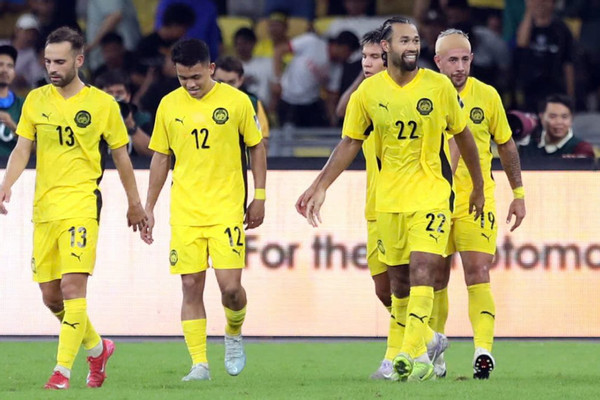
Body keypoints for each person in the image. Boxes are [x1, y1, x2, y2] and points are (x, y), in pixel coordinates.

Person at [296, 16, 485, 382]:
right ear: (386, 46)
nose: (412, 46)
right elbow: (349, 142)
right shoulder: (368, 93)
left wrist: (476, 186)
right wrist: (321, 185)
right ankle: (426, 343)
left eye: (415, 40)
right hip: (388, 200)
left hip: (431, 195)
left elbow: (463, 136)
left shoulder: (438, 86)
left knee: (423, 271)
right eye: (404, 41)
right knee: (397, 286)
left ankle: (409, 358)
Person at [0, 26, 147, 389]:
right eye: (48, 61)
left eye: (60, 62)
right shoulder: (35, 100)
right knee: (51, 297)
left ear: (79, 60)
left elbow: (121, 157)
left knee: (72, 287)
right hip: (45, 207)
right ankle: (98, 348)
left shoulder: (103, 105)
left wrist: (135, 203)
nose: (52, 68)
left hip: (82, 204)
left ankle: (61, 372)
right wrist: (5, 185)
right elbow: (22, 149)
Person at [140, 38, 267, 381]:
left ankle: (233, 332)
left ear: (211, 68)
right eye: (183, 78)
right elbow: (161, 157)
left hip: (226, 209)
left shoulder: (237, 102)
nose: (190, 84)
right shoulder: (169, 105)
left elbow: (256, 147)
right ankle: (199, 364)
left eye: (196, 77)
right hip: (186, 211)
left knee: (231, 289)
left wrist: (259, 195)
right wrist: (149, 206)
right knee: (190, 284)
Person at [432, 29, 526, 379]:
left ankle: (483, 351)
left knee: (478, 272)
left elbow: (506, 145)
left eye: (465, 59)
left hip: (477, 198)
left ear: (472, 59)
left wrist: (518, 194)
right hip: (433, 200)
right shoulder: (424, 95)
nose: (459, 67)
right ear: (437, 61)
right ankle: (436, 355)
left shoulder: (486, 95)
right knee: (435, 278)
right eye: (452, 60)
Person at [335, 28, 404, 380]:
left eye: (375, 57)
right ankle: (425, 337)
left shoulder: (410, 94)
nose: (367, 62)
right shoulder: (365, 98)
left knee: (403, 283)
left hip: (408, 202)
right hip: (375, 205)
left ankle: (396, 355)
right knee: (383, 288)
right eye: (364, 57)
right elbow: (342, 116)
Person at [213, 55, 271, 153]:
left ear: (240, 80)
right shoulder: (200, 101)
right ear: (212, 78)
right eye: (220, 82)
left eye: (231, 82)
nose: (226, 88)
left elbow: (263, 142)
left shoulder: (253, 103)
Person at [95, 70, 153, 158]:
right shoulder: (92, 118)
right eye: (109, 93)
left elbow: (152, 154)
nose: (115, 97)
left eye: (120, 93)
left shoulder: (141, 118)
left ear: (128, 96)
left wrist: (131, 125)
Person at [520, 94, 595, 159]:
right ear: (542, 117)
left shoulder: (582, 148)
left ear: (571, 119)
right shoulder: (528, 147)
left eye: (564, 117)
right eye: (553, 116)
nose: (559, 122)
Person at [0, 45, 24, 157]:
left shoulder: (23, 105)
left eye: (10, 66)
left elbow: (35, 148)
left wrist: (12, 126)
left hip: (13, 165)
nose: (5, 70)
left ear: (14, 73)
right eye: (0, 64)